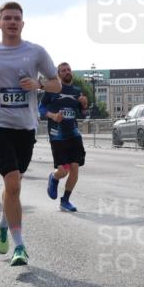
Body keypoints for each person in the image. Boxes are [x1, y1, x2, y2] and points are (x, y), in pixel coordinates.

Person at [0, 1, 60, 266]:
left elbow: (56, 83)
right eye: (7, 18)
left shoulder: (36, 52)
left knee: (13, 185)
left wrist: (39, 83)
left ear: (23, 23)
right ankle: (19, 246)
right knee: (13, 184)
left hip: (26, 127)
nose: (12, 22)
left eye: (16, 18)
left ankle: (2, 224)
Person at [40, 62, 88, 212]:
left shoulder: (76, 91)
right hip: (57, 135)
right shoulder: (51, 90)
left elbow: (82, 113)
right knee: (63, 171)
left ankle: (65, 200)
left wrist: (84, 105)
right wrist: (53, 115)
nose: (67, 72)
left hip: (73, 134)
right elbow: (40, 108)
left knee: (74, 168)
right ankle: (54, 178)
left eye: (68, 69)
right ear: (58, 74)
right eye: (63, 70)